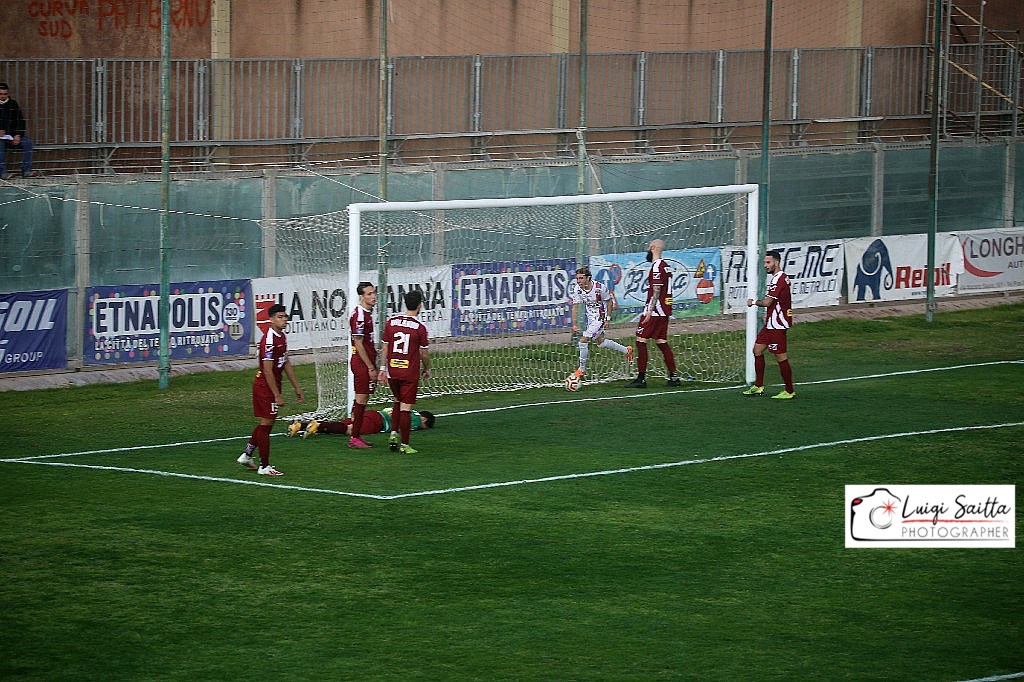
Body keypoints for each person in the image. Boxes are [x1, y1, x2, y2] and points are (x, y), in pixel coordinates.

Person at [237, 303, 304, 475]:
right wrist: (276, 395)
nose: (284, 320)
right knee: (266, 424)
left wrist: (296, 386)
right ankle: (264, 466)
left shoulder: (281, 336)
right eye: (280, 317)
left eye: (285, 316)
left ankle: (247, 454)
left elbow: (285, 362)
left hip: (271, 386)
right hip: (265, 387)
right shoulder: (268, 339)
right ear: (271, 319)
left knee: (266, 423)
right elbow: (267, 369)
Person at [377, 290, 430, 454]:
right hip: (409, 373)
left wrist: (382, 369)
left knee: (397, 399)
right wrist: (427, 368)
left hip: (393, 371)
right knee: (405, 408)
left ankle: (393, 433)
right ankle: (405, 445)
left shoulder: (391, 323)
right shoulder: (420, 328)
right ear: (420, 306)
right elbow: (424, 353)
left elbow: (385, 347)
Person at [625, 238, 684, 388]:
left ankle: (641, 379)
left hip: (655, 310)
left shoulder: (657, 266)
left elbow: (657, 290)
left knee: (640, 341)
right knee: (661, 342)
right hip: (664, 310)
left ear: (652, 247)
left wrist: (649, 311)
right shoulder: (666, 266)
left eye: (648, 246)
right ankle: (674, 377)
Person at [743, 249, 796, 399]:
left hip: (777, 326)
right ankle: (759, 386)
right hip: (770, 325)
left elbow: (767, 302)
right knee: (757, 350)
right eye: (765, 262)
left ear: (776, 262)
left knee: (781, 357)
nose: (765, 265)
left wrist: (753, 302)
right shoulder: (779, 278)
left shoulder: (779, 279)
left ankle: (789, 391)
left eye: (768, 262)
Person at [567, 266, 632, 381]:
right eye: (577, 279)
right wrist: (574, 324)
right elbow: (575, 307)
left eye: (581, 278)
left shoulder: (599, 288)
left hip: (600, 317)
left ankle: (581, 370)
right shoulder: (577, 289)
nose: (579, 281)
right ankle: (627, 350)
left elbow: (609, 302)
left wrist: (607, 319)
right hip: (591, 318)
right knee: (601, 343)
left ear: (588, 278)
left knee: (583, 340)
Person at [347, 281, 379, 449]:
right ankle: (355, 437)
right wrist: (370, 367)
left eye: (373, 293)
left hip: (365, 361)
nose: (373, 296)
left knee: (363, 397)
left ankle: (354, 426)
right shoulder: (360, 315)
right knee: (362, 398)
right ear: (361, 296)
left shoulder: (365, 313)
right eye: (369, 294)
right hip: (361, 362)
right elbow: (358, 344)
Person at [287, 408, 436, 439]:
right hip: (378, 421)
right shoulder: (416, 419)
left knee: (338, 426)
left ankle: (301, 425)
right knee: (349, 430)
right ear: (424, 420)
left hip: (372, 413)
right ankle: (318, 425)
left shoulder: (409, 409)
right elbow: (404, 424)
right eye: (424, 427)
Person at [0, 83, 34, 180]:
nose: (3, 96)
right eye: (0, 94)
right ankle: (3, 172)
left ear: (8, 93)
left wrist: (18, 135)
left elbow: (20, 121)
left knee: (28, 142)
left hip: (13, 136)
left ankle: (26, 170)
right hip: (1, 139)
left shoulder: (13, 104)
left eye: (5, 94)